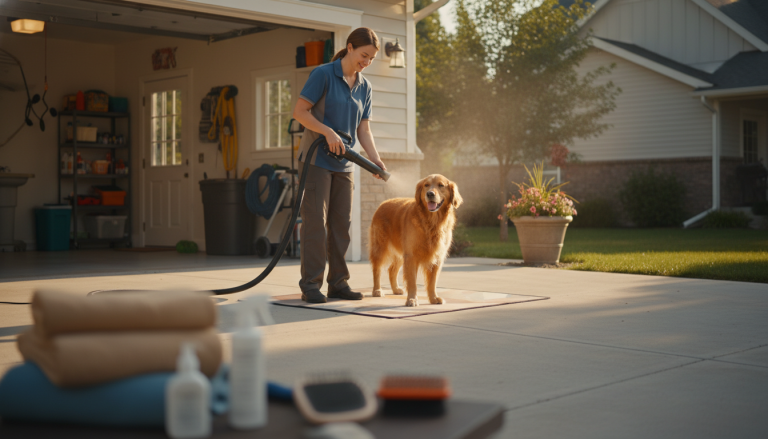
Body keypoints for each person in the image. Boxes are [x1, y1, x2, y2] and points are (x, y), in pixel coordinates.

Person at [292, 27, 387, 303]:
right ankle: (311, 285)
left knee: (341, 226)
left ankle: (338, 283)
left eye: (371, 59)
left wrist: (375, 159)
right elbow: (300, 112)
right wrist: (327, 132)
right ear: (350, 47)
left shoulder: (365, 86)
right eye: (364, 55)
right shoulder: (323, 74)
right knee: (315, 224)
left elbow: (364, 130)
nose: (367, 62)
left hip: (345, 165)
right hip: (316, 161)